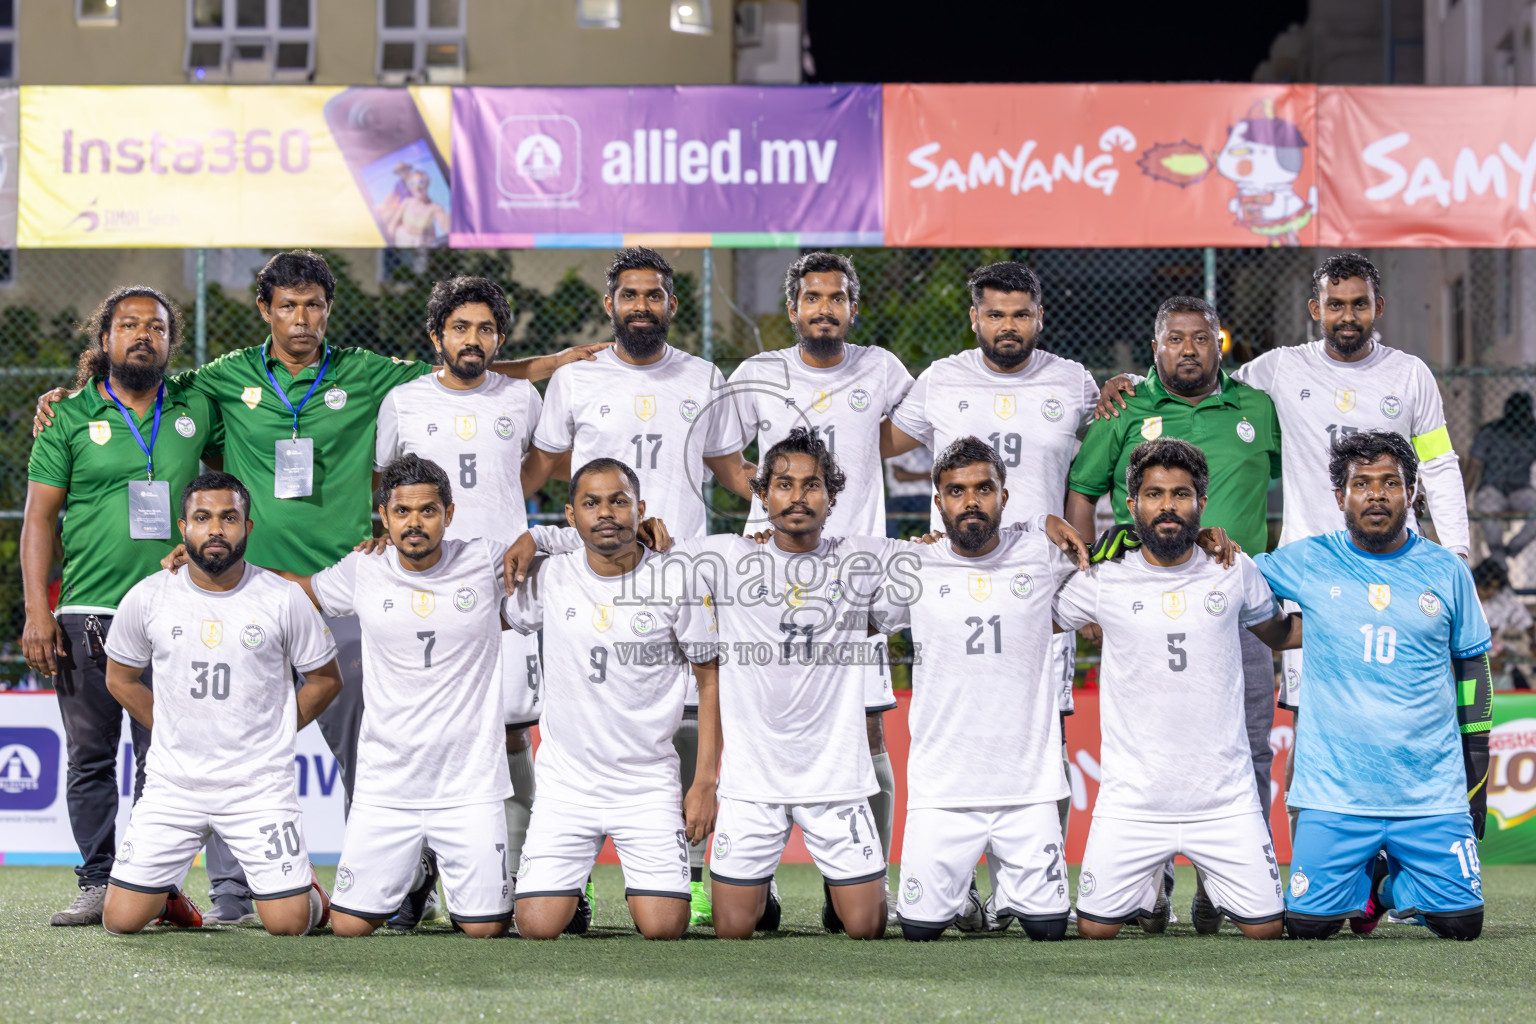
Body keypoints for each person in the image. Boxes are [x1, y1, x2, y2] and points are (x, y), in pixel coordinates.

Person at [36, 250, 599, 924]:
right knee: (227, 740)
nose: (301, 318)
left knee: (368, 743)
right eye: (288, 305)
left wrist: (552, 364)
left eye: (314, 306)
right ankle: (233, 897)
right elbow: (148, 384)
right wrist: (76, 395)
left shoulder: (367, 376)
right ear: (265, 310)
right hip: (247, 592)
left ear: (329, 311)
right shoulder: (223, 379)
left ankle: (393, 883)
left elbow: (462, 369)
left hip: (341, 591)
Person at [1095, 253, 1473, 832]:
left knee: (1404, 713)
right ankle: (1319, 868)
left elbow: (1440, 464)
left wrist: (1458, 555)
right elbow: (1201, 385)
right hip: (1312, 578)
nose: (1348, 316)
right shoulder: (1278, 370)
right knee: (1311, 724)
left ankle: (1401, 855)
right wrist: (1129, 386)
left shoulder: (1411, 374)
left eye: (1360, 304)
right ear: (1315, 309)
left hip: (1399, 570)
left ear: (1378, 308)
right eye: (1336, 304)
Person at [521, 247, 753, 927]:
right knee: (598, 716)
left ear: (671, 305)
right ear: (610, 304)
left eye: (654, 295)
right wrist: (525, 532)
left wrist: (777, 513)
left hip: (674, 583)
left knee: (684, 719)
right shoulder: (575, 381)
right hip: (596, 572)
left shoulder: (705, 376)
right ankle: (572, 875)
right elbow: (543, 477)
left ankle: (687, 867)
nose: (642, 306)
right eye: (630, 295)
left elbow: (734, 473)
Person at [882, 262, 1098, 927]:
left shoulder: (1075, 382)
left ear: (1041, 316)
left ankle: (1022, 886)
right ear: (975, 318)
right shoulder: (940, 379)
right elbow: (876, 445)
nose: (1009, 326)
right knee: (962, 716)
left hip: (1038, 578)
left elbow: (1104, 459)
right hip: (952, 577)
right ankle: (956, 882)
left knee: (1046, 730)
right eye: (996, 314)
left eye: (1022, 313)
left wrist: (1075, 544)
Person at [231, 454, 518, 938]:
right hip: (387, 785)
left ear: (449, 513)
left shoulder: (486, 559)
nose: (414, 523)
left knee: (484, 931)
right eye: (402, 512)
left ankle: (432, 874)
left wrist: (619, 532)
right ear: (382, 516)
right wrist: (218, 566)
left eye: (428, 511)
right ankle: (413, 874)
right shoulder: (363, 568)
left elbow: (572, 561)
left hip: (470, 784)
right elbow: (297, 591)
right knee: (347, 928)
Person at [1065, 296, 1284, 906]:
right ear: (1155, 345)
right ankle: (1148, 882)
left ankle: (1229, 884)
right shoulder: (1124, 405)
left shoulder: (1258, 408)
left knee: (1251, 743)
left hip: (1235, 606)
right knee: (1149, 745)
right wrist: (1091, 591)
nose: (1188, 350)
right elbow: (1082, 492)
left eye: (1201, 338)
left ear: (1221, 343)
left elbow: (1305, 488)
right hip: (1141, 601)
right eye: (1174, 339)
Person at [21, 286, 224, 927]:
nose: (143, 335)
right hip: (89, 614)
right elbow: (38, 519)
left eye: (157, 327)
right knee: (89, 758)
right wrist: (36, 611)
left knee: (165, 760)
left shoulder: (198, 404)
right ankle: (95, 880)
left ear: (171, 341)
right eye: (129, 324)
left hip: (179, 610)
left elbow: (229, 483)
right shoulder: (68, 416)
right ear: (103, 337)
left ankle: (152, 883)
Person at [1053, 439, 1300, 940]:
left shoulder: (1233, 569)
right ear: (1132, 505)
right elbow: (1034, 616)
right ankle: (1151, 892)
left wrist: (1345, 616)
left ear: (1202, 504)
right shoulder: (1103, 578)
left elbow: (1278, 632)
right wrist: (1039, 530)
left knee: (1267, 931)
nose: (1168, 506)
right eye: (1154, 494)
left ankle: (1210, 892)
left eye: (1182, 494)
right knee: (1095, 932)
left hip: (1224, 800)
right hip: (1133, 803)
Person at [727, 252, 915, 910]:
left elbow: (904, 434)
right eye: (812, 297)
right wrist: (758, 512)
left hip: (852, 585)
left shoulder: (883, 369)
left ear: (853, 308)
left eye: (837, 298)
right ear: (793, 308)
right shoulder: (758, 374)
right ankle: (760, 882)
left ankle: (867, 881)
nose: (824, 308)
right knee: (760, 725)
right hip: (767, 589)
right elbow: (722, 453)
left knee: (868, 732)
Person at [1255, 432, 1492, 940]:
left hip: (1429, 792)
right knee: (1308, 927)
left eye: (1391, 483)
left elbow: (1473, 672)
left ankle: (1383, 888)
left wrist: (1476, 778)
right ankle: (1363, 886)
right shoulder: (1309, 559)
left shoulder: (1447, 570)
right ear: (1340, 497)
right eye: (1361, 483)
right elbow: (1233, 581)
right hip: (1336, 794)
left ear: (1412, 494)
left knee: (1461, 924)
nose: (1377, 494)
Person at [100, 472, 342, 936]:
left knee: (288, 925)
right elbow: (121, 678)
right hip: (174, 787)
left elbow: (326, 680)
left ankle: (306, 890)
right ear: (183, 527)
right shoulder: (149, 596)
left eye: (229, 518)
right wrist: (170, 729)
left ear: (248, 527)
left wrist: (274, 730)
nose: (215, 529)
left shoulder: (284, 598)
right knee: (119, 921)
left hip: (257, 787)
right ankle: (169, 900)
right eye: (202, 518)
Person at [373, 276, 544, 919]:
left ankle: (521, 879)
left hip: (503, 592)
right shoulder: (404, 401)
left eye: (485, 330)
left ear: (499, 337)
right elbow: (383, 487)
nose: (473, 340)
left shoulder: (523, 398)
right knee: (429, 732)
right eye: (460, 328)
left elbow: (540, 468)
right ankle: (417, 875)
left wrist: (514, 527)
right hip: (425, 595)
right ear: (437, 335)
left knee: (509, 734)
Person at [871, 437, 1087, 942]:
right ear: (938, 501)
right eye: (956, 491)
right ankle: (964, 894)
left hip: (1028, 792)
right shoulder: (914, 566)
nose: (971, 501)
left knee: (1050, 930)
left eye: (983, 489)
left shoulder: (1041, 552)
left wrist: (1041, 523)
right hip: (942, 792)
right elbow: (863, 617)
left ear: (1004, 498)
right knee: (920, 932)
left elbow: (1109, 569)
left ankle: (1006, 893)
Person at [504, 458, 721, 940]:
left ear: (640, 509)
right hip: (567, 784)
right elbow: (470, 597)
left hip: (645, 783)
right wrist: (536, 538)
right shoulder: (550, 577)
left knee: (663, 928)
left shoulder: (677, 578)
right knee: (537, 928)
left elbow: (710, 680)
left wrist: (705, 781)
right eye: (591, 503)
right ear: (570, 514)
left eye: (619, 501)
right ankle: (571, 891)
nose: (606, 513)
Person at [1468, 392, 1536, 566]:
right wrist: (1462, 498)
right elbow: (1473, 468)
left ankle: (1511, 550)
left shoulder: (1533, 433)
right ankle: (1499, 562)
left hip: (1520, 489)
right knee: (1487, 508)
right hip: (1492, 488)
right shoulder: (1490, 431)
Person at [1472, 559, 1534, 690]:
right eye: (1487, 588)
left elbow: (1527, 624)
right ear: (1477, 583)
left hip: (1501, 654)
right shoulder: (1467, 597)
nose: (1491, 593)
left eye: (1495, 588)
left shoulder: (1503, 598)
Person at [882, 445, 932, 540]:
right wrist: (927, 475)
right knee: (887, 525)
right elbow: (900, 476)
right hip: (900, 498)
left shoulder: (930, 451)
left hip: (926, 498)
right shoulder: (895, 449)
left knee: (939, 523)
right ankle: (888, 549)